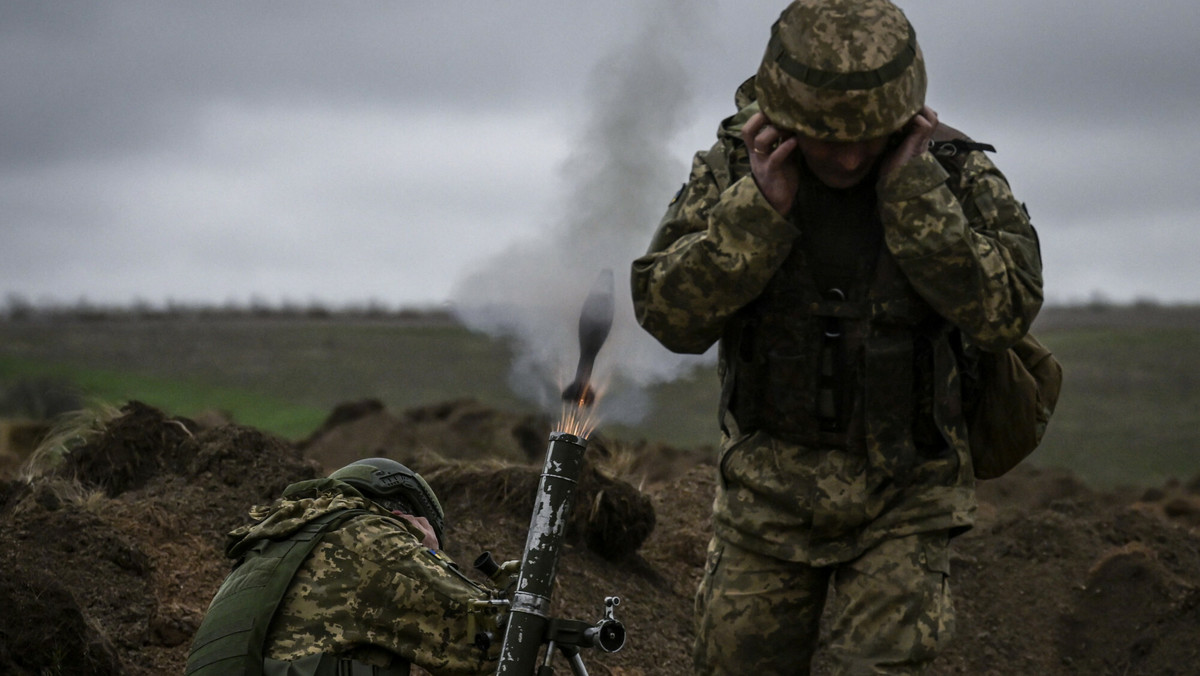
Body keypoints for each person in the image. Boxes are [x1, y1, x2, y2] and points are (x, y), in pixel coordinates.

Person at [630, 1, 1044, 673]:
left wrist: (918, 201)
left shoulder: (954, 174)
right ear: (783, 119)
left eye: (870, 135)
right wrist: (758, 212)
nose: (849, 156)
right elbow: (669, 316)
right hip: (766, 498)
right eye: (826, 136)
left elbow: (1006, 312)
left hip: (906, 494)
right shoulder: (737, 169)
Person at [185, 457, 503, 676]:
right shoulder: (369, 537)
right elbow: (489, 642)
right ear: (401, 519)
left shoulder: (263, 555)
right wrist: (430, 554)